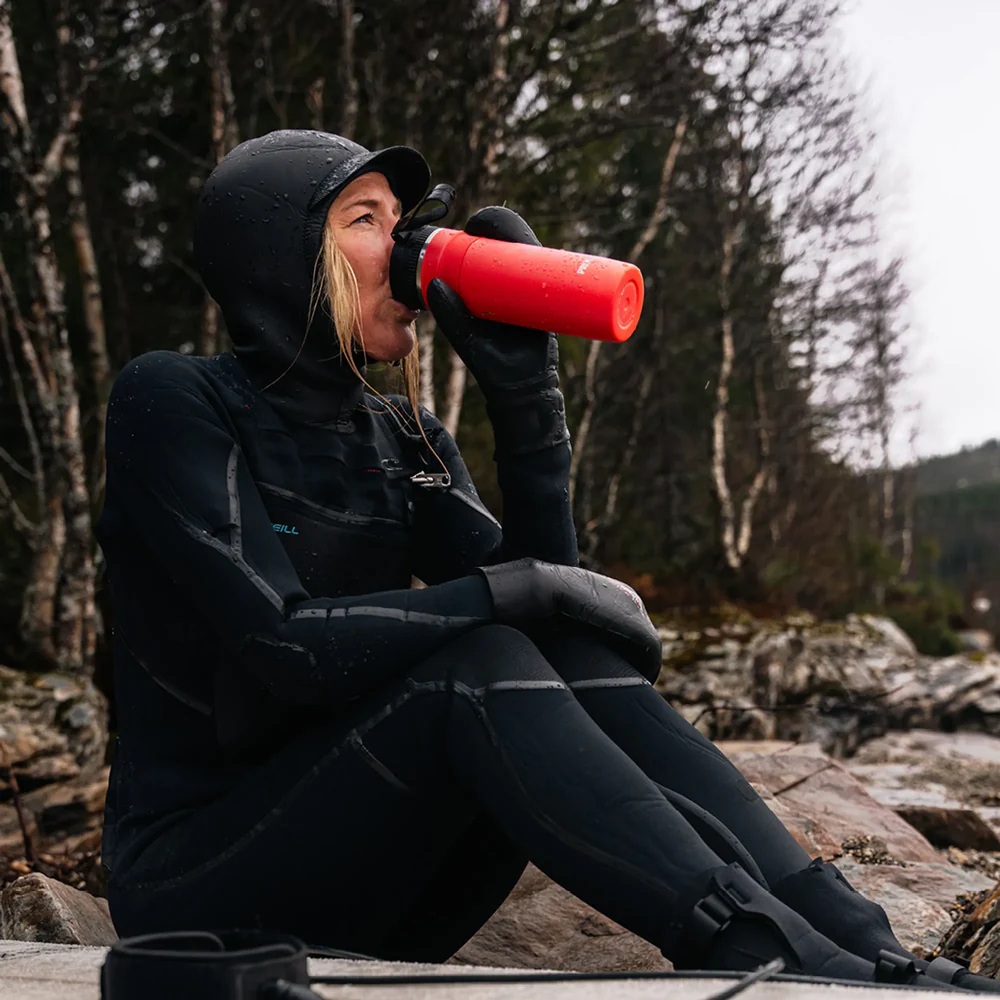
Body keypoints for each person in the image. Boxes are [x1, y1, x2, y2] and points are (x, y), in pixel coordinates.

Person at [96, 129, 985, 991]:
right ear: (276, 257)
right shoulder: (174, 397)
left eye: (404, 220)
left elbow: (559, 632)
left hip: (384, 881)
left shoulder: (400, 434)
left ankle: (864, 946)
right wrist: (516, 590)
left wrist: (527, 401)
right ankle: (757, 947)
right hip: (201, 887)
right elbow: (285, 645)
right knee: (479, 658)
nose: (404, 247)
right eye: (365, 219)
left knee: (538, 645)